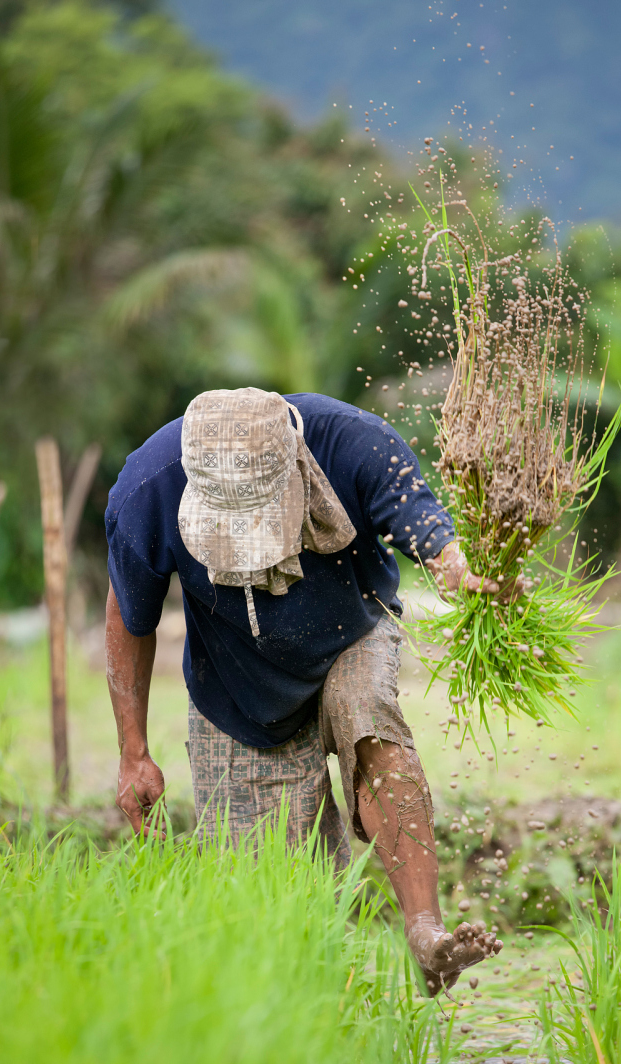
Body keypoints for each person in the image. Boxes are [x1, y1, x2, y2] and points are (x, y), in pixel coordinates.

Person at [105, 387, 507, 993]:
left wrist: (456, 566)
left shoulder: (354, 442)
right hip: (236, 692)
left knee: (366, 713)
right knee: (270, 921)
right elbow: (129, 618)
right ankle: (320, 1015)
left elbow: (418, 515)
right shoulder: (148, 489)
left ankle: (427, 935)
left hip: (352, 634)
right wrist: (133, 752)